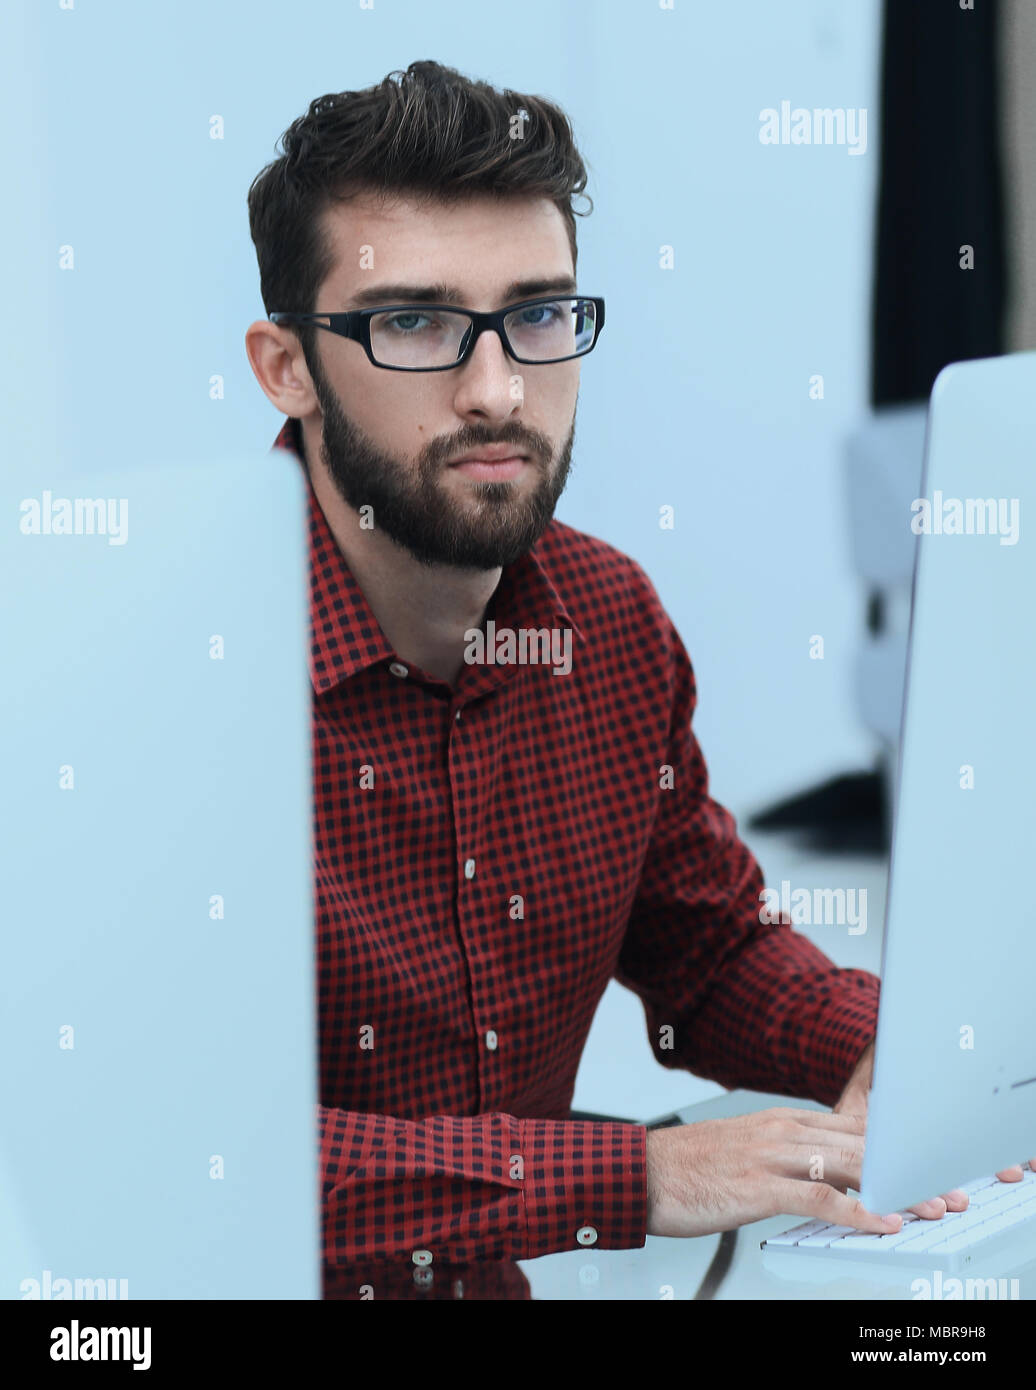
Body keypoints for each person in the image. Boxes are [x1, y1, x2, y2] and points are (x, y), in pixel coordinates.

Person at [243, 59, 1009, 1286]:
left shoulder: (604, 623)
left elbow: (704, 953)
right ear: (287, 366)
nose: (496, 391)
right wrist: (637, 1181)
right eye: (417, 324)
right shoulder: (167, 680)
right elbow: (180, 1163)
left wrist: (896, 1054)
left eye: (537, 316)